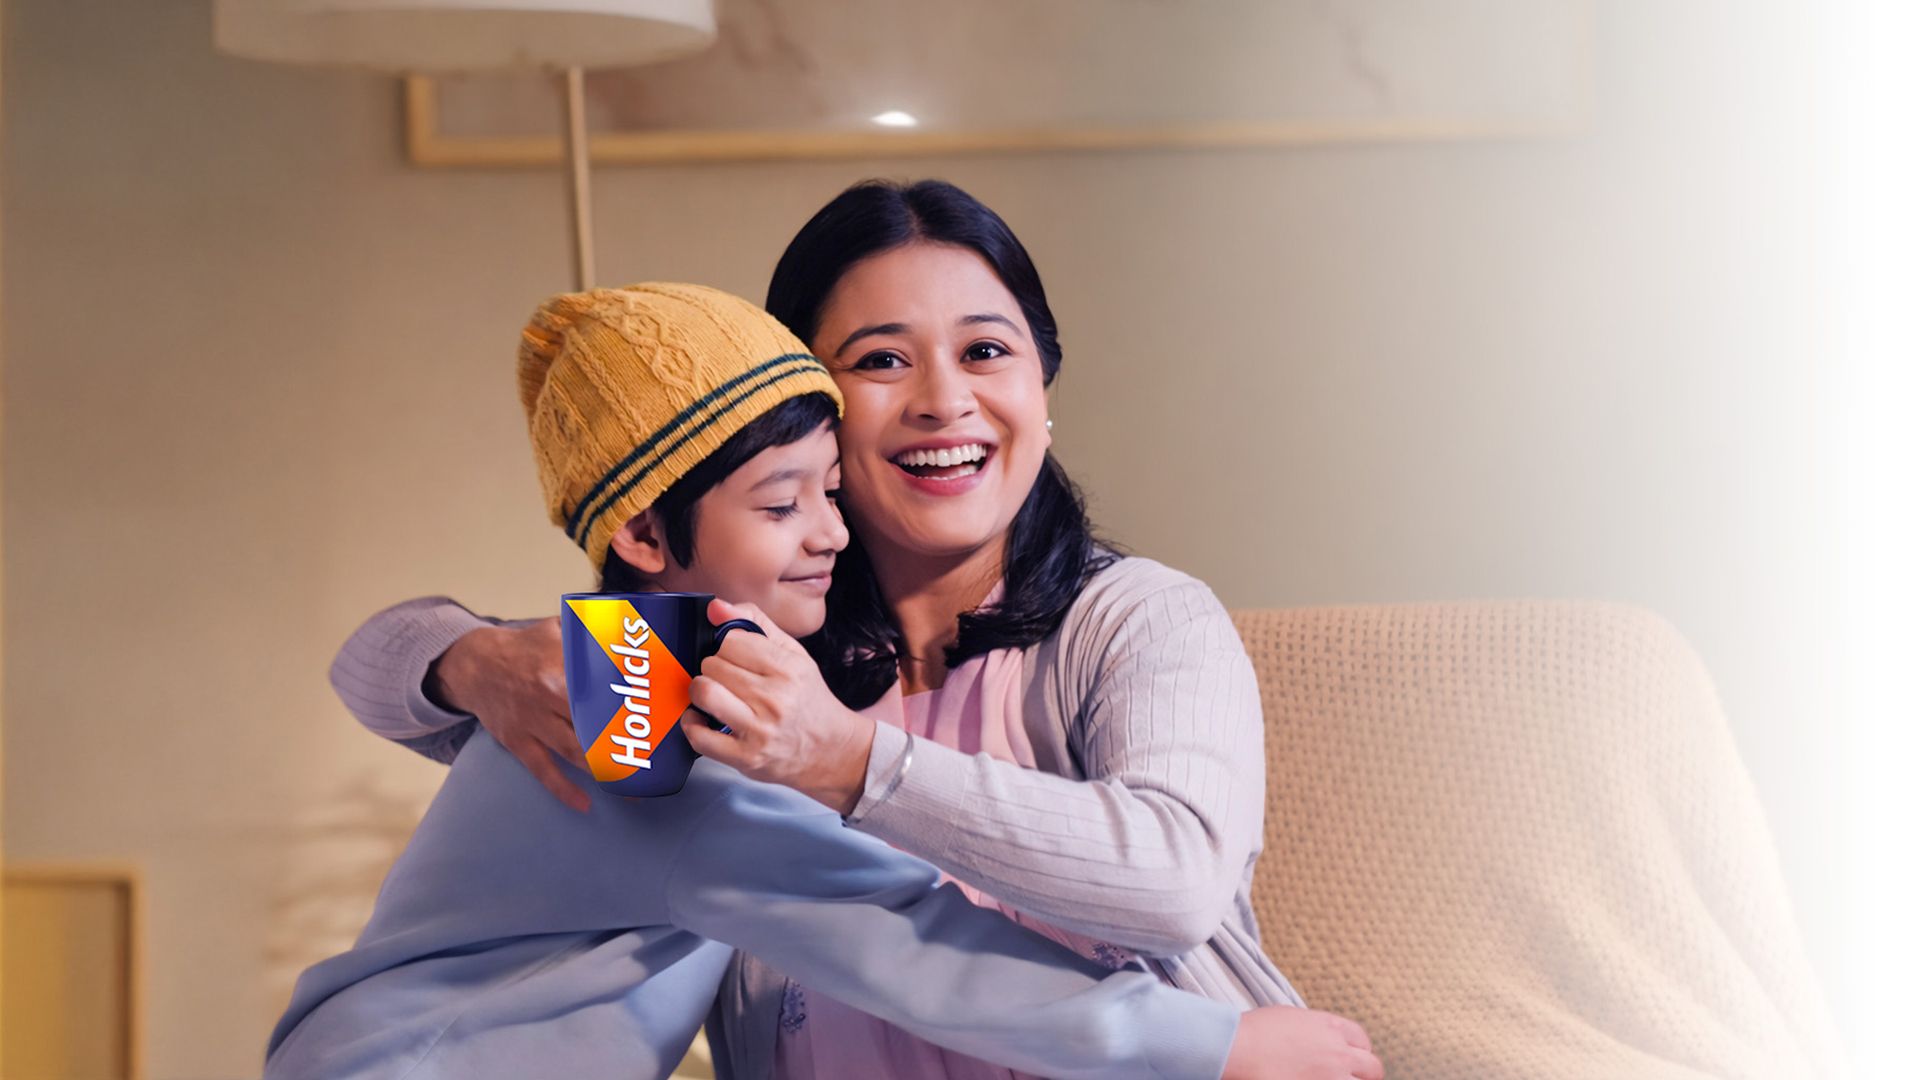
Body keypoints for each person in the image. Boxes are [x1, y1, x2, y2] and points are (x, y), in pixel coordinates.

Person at [333, 181, 1327, 1077]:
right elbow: (372, 666)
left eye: (987, 351)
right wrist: (473, 658)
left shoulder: (1135, 619)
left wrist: (853, 762)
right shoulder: (715, 661)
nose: (945, 401)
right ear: (807, 406)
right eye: (882, 360)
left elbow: (1177, 885)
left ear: (1041, 393)